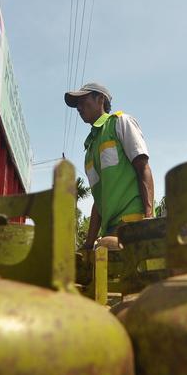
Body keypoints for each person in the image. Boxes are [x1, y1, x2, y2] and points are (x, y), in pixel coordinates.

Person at [65, 82, 154, 249]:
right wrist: (88, 244)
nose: (79, 107)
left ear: (100, 99)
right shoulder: (89, 150)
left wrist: (148, 219)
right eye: (77, 104)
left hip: (133, 222)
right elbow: (99, 200)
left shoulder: (120, 123)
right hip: (110, 230)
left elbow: (143, 168)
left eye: (83, 101)